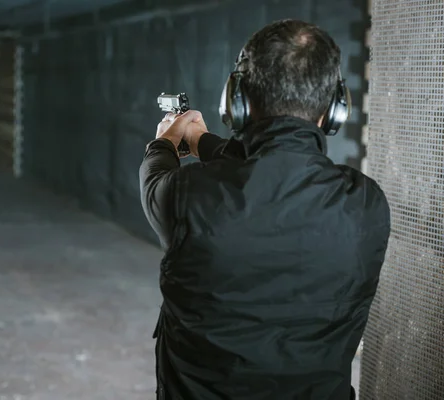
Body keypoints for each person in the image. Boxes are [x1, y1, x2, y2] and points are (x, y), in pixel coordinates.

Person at [139, 19, 391, 400]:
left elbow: (154, 178)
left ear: (237, 102)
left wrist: (166, 142)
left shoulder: (188, 195)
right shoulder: (367, 203)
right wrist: (201, 140)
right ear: (335, 108)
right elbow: (278, 166)